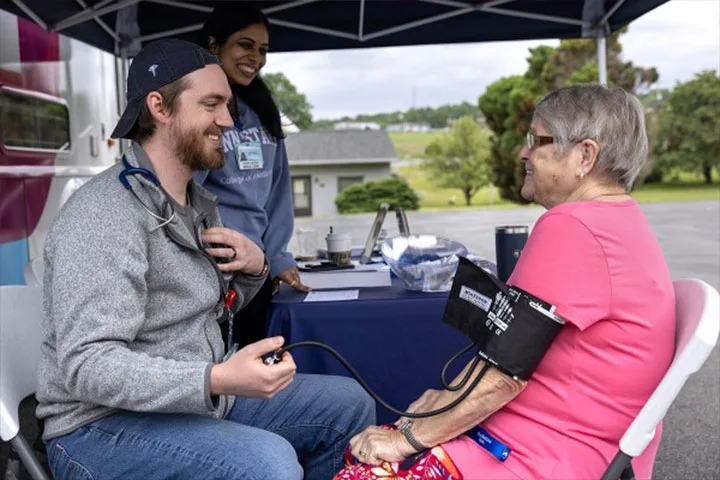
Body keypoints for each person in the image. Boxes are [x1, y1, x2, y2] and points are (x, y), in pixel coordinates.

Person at [35, 38, 375, 480]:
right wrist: (215, 379)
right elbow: (88, 367)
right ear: (160, 106)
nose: (228, 121)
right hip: (101, 426)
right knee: (268, 464)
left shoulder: (197, 204)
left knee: (349, 405)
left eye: (229, 106)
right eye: (212, 104)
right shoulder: (105, 214)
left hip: (191, 402)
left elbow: (208, 310)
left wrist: (255, 271)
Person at [335, 84, 676, 480]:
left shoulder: (573, 226)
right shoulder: (619, 219)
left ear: (584, 155)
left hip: (550, 453)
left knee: (366, 467)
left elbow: (503, 375)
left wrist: (410, 440)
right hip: (574, 442)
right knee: (368, 447)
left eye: (537, 139)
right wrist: (443, 404)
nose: (524, 152)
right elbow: (506, 354)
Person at [195, 2, 310, 349]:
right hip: (209, 273)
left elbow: (277, 192)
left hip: (255, 272)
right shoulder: (194, 111)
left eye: (263, 50)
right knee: (215, 375)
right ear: (214, 45)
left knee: (255, 370)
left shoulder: (261, 110)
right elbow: (182, 193)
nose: (256, 58)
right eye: (245, 45)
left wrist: (277, 258)